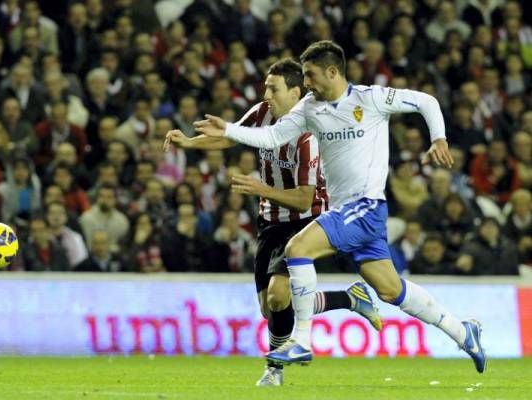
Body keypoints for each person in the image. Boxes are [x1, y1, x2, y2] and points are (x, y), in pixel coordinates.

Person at [194, 40, 486, 374]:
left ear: (333, 72)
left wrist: (438, 138)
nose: (306, 83)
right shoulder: (308, 108)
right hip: (349, 213)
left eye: (310, 75)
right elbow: (273, 137)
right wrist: (229, 130)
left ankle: (301, 341)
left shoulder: (370, 98)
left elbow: (426, 101)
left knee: (297, 248)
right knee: (391, 291)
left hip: (365, 205)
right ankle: (464, 333)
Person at [165, 59, 382, 386]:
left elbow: (305, 198)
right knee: (271, 307)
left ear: (295, 92)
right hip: (269, 222)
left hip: (306, 222)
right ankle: (350, 299)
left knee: (281, 297)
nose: (266, 93)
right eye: (265, 86)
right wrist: (189, 143)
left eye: (273, 88)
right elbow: (232, 137)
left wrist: (260, 188)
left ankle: (273, 371)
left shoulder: (308, 136)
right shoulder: (262, 113)